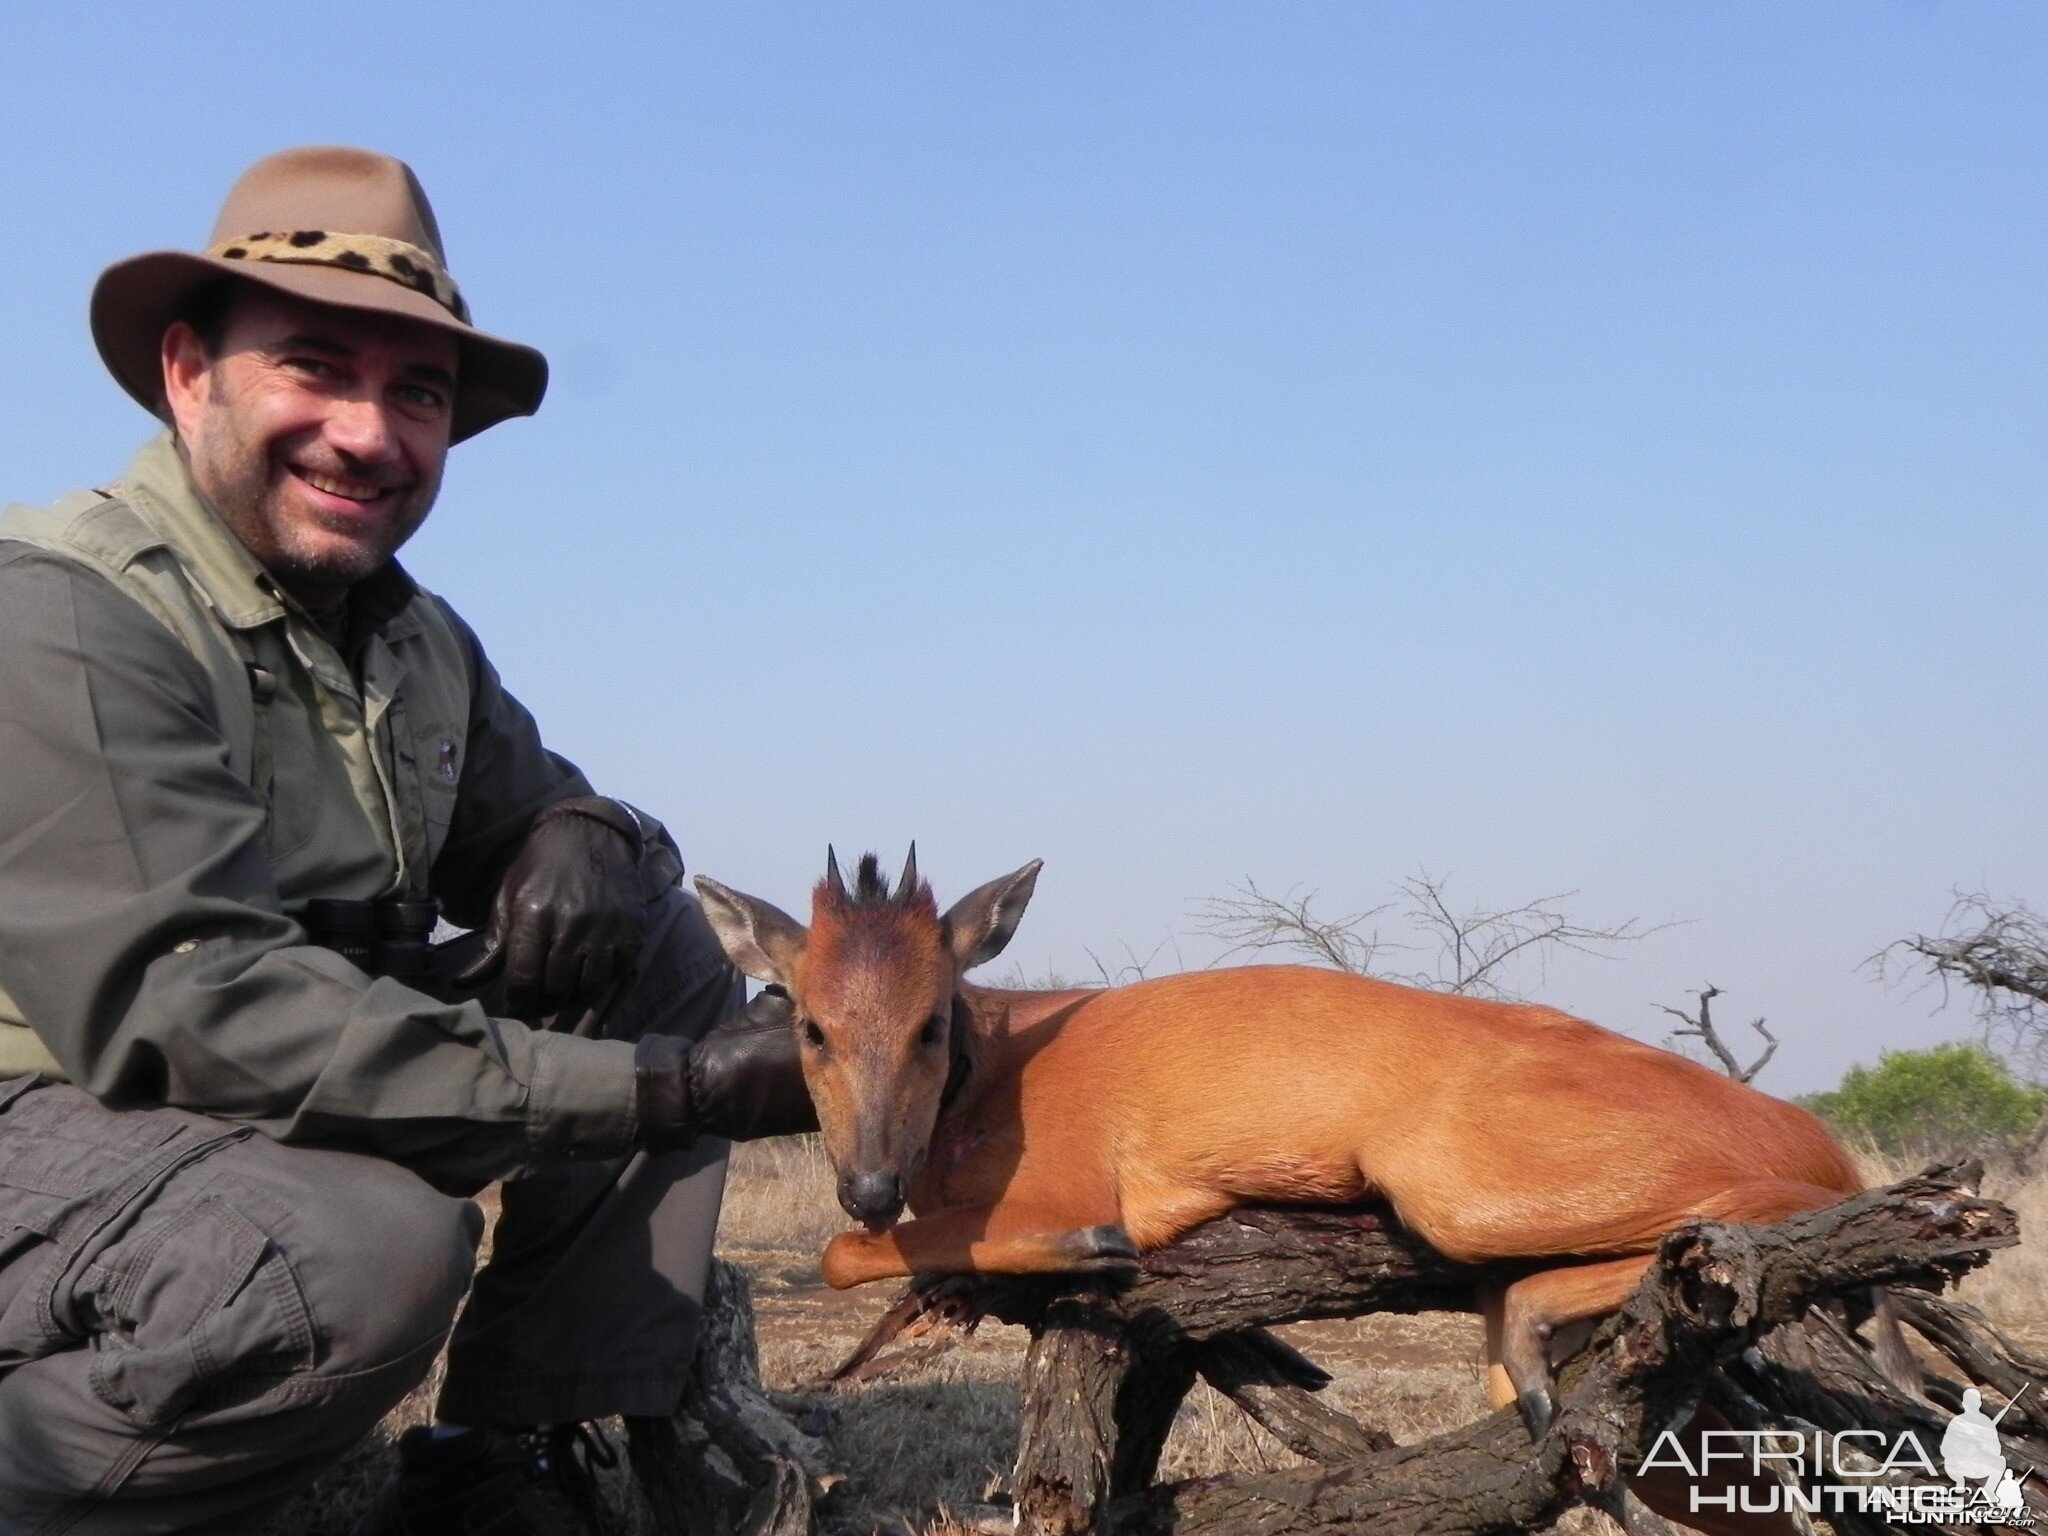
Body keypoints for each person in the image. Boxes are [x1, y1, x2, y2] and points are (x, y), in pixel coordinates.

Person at [0, 145, 816, 1536]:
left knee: (657, 948)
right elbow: (197, 1012)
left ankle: (511, 1450)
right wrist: (671, 1091)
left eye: (418, 392)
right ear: (189, 373)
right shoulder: (68, 614)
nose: (371, 435)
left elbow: (571, 813)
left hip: (252, 1088)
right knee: (349, 1254)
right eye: (315, 367)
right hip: (62, 1110)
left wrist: (589, 831)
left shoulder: (412, 634)